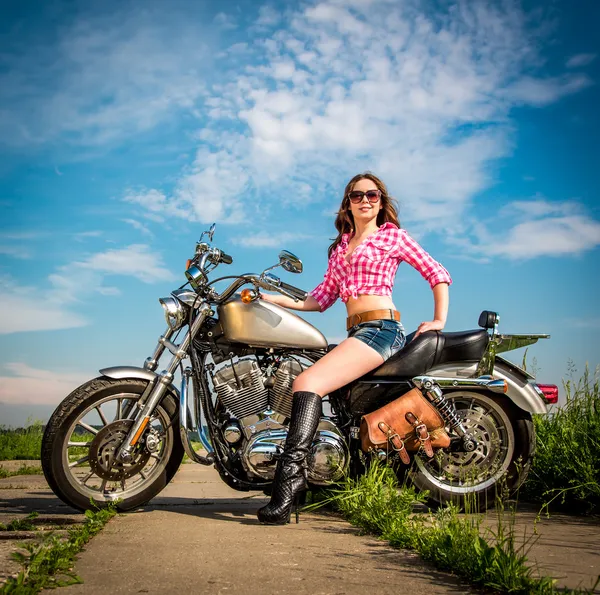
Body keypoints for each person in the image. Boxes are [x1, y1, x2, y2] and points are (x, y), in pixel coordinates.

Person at [257, 172, 452, 524]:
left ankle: (289, 486)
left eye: (372, 195)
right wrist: (269, 299)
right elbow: (319, 299)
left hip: (383, 329)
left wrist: (438, 320)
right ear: (347, 203)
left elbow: (436, 272)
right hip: (357, 332)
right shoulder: (340, 249)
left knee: (307, 384)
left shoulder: (392, 238)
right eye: (357, 195)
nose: (365, 200)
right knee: (312, 380)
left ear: (381, 201)